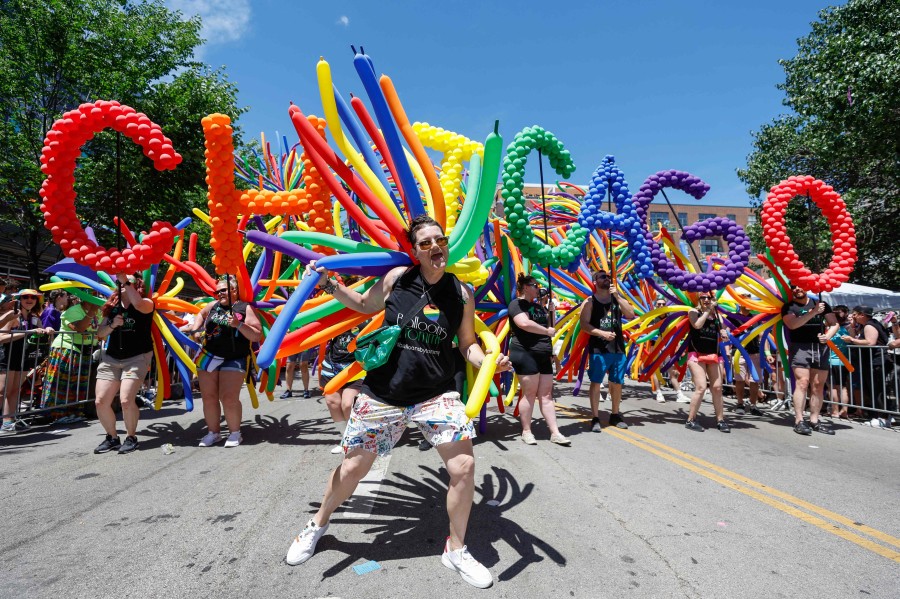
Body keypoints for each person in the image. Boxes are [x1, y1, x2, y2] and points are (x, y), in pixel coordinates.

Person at [288, 215, 511, 589]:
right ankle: (317, 525)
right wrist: (329, 283)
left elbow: (467, 343)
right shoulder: (397, 280)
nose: (435, 247)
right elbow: (362, 303)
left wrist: (489, 360)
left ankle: (455, 549)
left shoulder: (462, 293)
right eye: (425, 243)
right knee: (352, 469)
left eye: (439, 240)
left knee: (463, 467)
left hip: (436, 394)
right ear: (415, 251)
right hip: (384, 393)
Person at [191, 277, 262, 447]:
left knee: (228, 397)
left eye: (223, 290)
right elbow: (200, 314)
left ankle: (235, 433)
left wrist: (238, 325)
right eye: (217, 291)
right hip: (209, 355)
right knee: (208, 397)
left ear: (234, 291)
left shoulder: (245, 308)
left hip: (234, 356)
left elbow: (256, 334)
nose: (219, 294)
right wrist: (195, 329)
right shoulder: (213, 306)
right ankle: (213, 433)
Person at [92, 275, 156, 454]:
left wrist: (127, 283)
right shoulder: (112, 307)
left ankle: (131, 437)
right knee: (100, 401)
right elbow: (101, 333)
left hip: (136, 357)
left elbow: (139, 305)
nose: (122, 284)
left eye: (127, 282)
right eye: (119, 282)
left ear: (136, 285)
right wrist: (112, 325)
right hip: (112, 358)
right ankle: (112, 437)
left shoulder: (146, 302)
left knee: (126, 400)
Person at [507, 273, 569, 446]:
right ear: (525, 287)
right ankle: (526, 431)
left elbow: (551, 327)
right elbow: (524, 324)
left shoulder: (539, 307)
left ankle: (555, 432)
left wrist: (552, 312)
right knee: (529, 393)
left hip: (543, 353)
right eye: (534, 285)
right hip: (526, 353)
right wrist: (546, 331)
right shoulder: (516, 304)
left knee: (547, 394)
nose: (538, 288)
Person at [580, 269, 635, 432]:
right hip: (598, 348)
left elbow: (630, 314)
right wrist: (601, 332)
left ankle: (615, 414)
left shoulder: (616, 299)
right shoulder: (589, 301)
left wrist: (617, 296)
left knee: (617, 382)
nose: (607, 279)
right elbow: (584, 324)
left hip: (617, 348)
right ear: (595, 281)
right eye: (603, 277)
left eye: (608, 277)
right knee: (596, 382)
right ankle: (595, 417)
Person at [781, 284, 839, 435]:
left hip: (820, 348)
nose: (797, 289)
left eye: (800, 286)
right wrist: (813, 312)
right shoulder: (789, 307)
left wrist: (828, 336)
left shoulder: (821, 304)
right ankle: (799, 420)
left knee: (818, 385)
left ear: (807, 286)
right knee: (802, 382)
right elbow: (793, 324)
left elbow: (834, 324)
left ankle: (814, 420)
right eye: (793, 287)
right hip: (800, 347)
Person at [0, 290, 53, 434]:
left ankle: (8, 421)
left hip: (23, 357)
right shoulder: (12, 316)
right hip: (7, 356)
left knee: (14, 391)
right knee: (2, 391)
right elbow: (1, 337)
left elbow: (40, 330)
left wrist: (47, 329)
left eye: (33, 297)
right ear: (19, 299)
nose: (29, 300)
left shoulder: (34, 318)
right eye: (25, 297)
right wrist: (27, 333)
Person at [684, 293, 729, 432]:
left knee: (717, 388)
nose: (706, 300)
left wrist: (724, 332)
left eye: (708, 298)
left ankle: (720, 420)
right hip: (696, 354)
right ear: (698, 299)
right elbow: (697, 325)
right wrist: (708, 311)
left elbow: (724, 330)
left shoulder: (718, 316)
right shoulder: (693, 311)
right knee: (701, 387)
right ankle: (690, 420)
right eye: (703, 297)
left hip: (713, 354)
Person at [841, 305, 892, 428]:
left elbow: (870, 342)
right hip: (869, 361)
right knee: (872, 389)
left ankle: (883, 417)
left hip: (876, 362)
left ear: (862, 315)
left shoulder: (870, 325)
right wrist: (852, 328)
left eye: (855, 314)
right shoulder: (866, 325)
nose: (853, 316)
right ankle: (879, 416)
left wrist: (851, 340)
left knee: (877, 389)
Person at [320, 324, 364, 454]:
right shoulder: (336, 312)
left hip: (356, 366)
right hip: (332, 365)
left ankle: (354, 438)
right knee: (332, 402)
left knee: (348, 404)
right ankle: (345, 439)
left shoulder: (368, 311)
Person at [732, 296, 765, 417]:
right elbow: (726, 333)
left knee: (755, 381)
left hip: (754, 352)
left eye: (750, 301)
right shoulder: (732, 317)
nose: (748, 303)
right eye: (745, 300)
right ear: (740, 302)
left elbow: (762, 335)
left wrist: (765, 352)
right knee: (740, 379)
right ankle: (740, 403)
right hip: (738, 353)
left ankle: (753, 405)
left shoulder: (755, 318)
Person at [827, 305, 851, 419]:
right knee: (843, 387)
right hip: (843, 362)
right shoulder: (848, 329)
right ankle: (844, 410)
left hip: (831, 361)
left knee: (832, 387)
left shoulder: (829, 329)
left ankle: (835, 411)